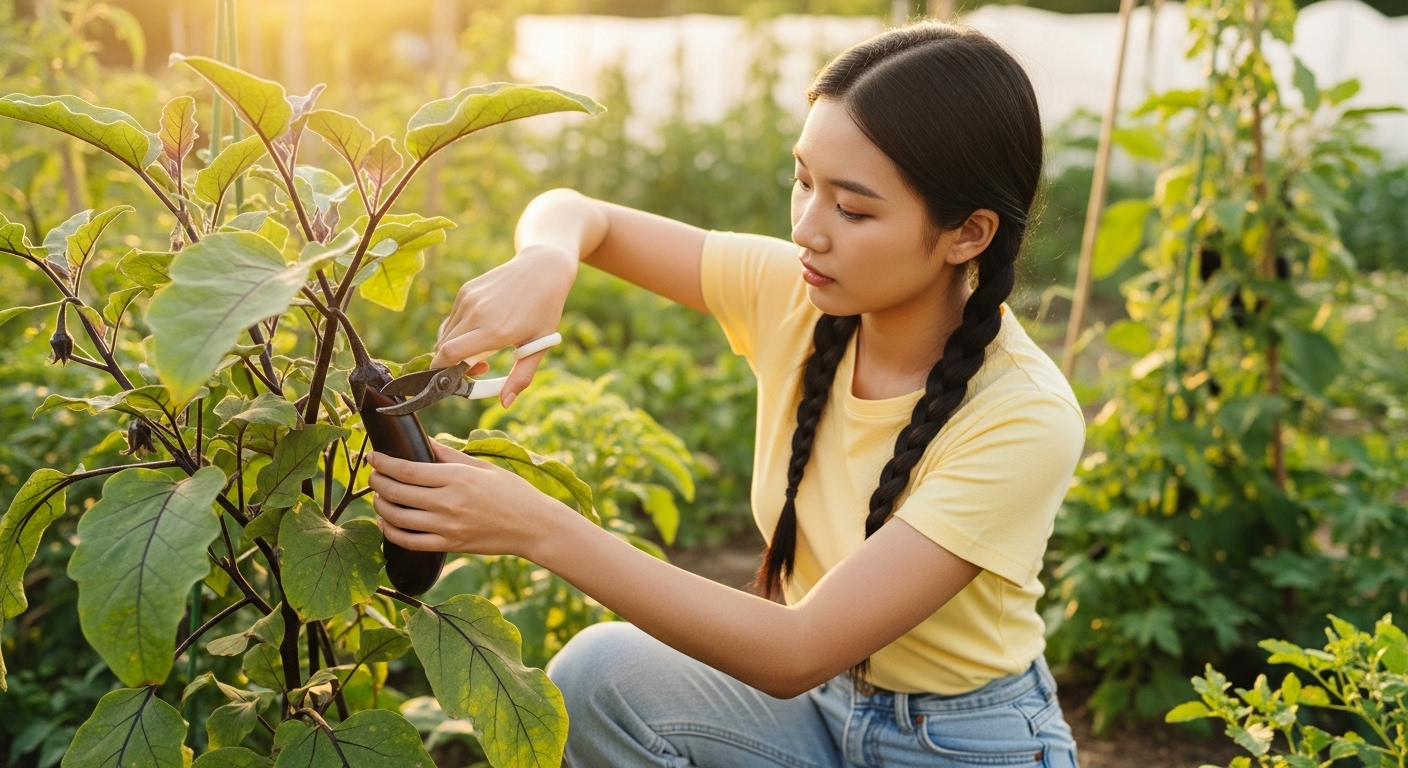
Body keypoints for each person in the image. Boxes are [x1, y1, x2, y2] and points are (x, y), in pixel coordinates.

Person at [366, 20, 1085, 768]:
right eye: (804, 181)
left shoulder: (1023, 414)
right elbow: (581, 213)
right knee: (599, 676)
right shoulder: (795, 297)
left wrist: (536, 526)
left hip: (964, 745)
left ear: (967, 233)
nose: (807, 229)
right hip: (811, 714)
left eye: (854, 208)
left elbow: (796, 649)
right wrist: (548, 259)